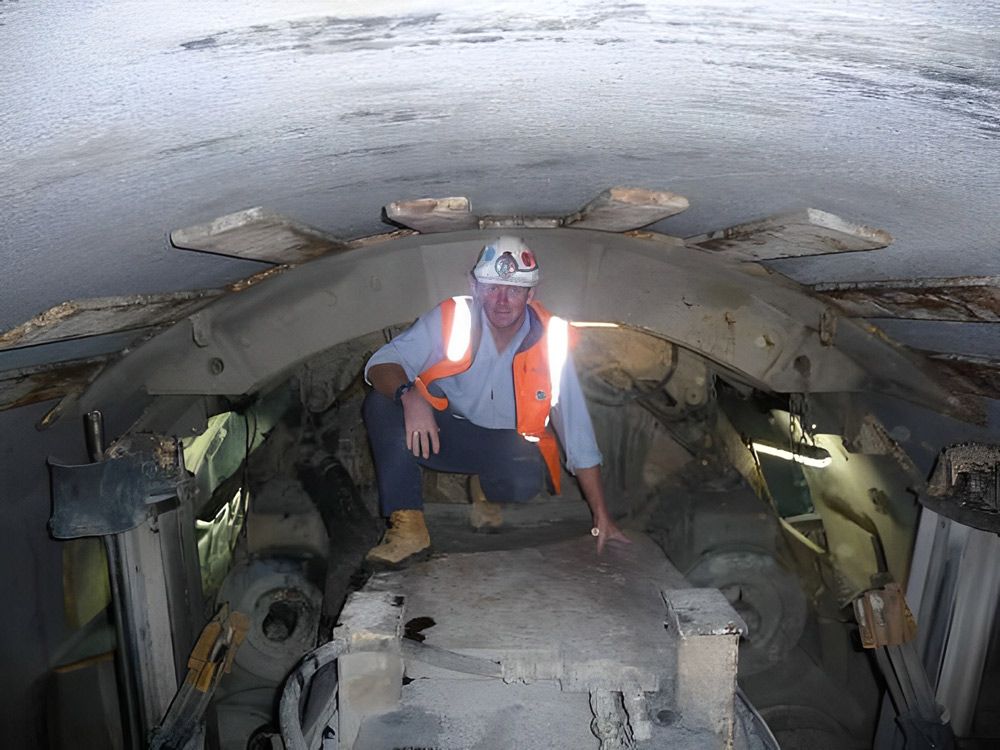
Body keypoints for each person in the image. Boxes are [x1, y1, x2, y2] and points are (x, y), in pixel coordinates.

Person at [362, 235, 629, 567]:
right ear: (476, 288)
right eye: (492, 288)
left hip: (507, 446)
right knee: (381, 403)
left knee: (523, 483)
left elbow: (578, 435)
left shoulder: (551, 343)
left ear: (531, 294)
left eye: (514, 290)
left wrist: (601, 516)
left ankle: (486, 492)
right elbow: (382, 364)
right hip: (444, 435)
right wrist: (409, 396)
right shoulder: (451, 318)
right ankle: (408, 529)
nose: (502, 301)